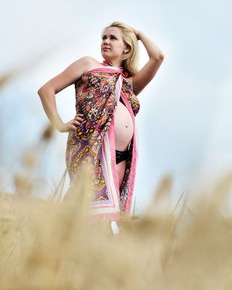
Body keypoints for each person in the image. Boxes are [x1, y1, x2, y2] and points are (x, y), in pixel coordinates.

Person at [37, 21, 164, 224]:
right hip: (92, 151)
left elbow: (158, 57)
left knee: (107, 218)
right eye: (104, 37)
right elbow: (46, 90)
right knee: (81, 206)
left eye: (112, 38)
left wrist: (137, 33)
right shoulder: (88, 64)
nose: (105, 41)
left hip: (121, 158)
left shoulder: (128, 84)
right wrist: (58, 124)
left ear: (126, 48)